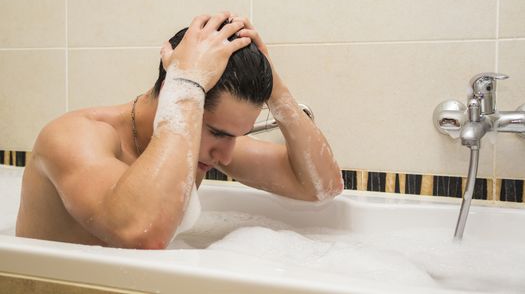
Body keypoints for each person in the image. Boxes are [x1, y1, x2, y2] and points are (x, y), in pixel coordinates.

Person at [16, 12, 343, 249]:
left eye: (236, 135)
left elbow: (322, 186)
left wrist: (278, 93)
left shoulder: (200, 145)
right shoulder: (74, 137)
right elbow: (142, 234)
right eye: (218, 132)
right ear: (175, 95)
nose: (226, 155)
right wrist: (186, 83)